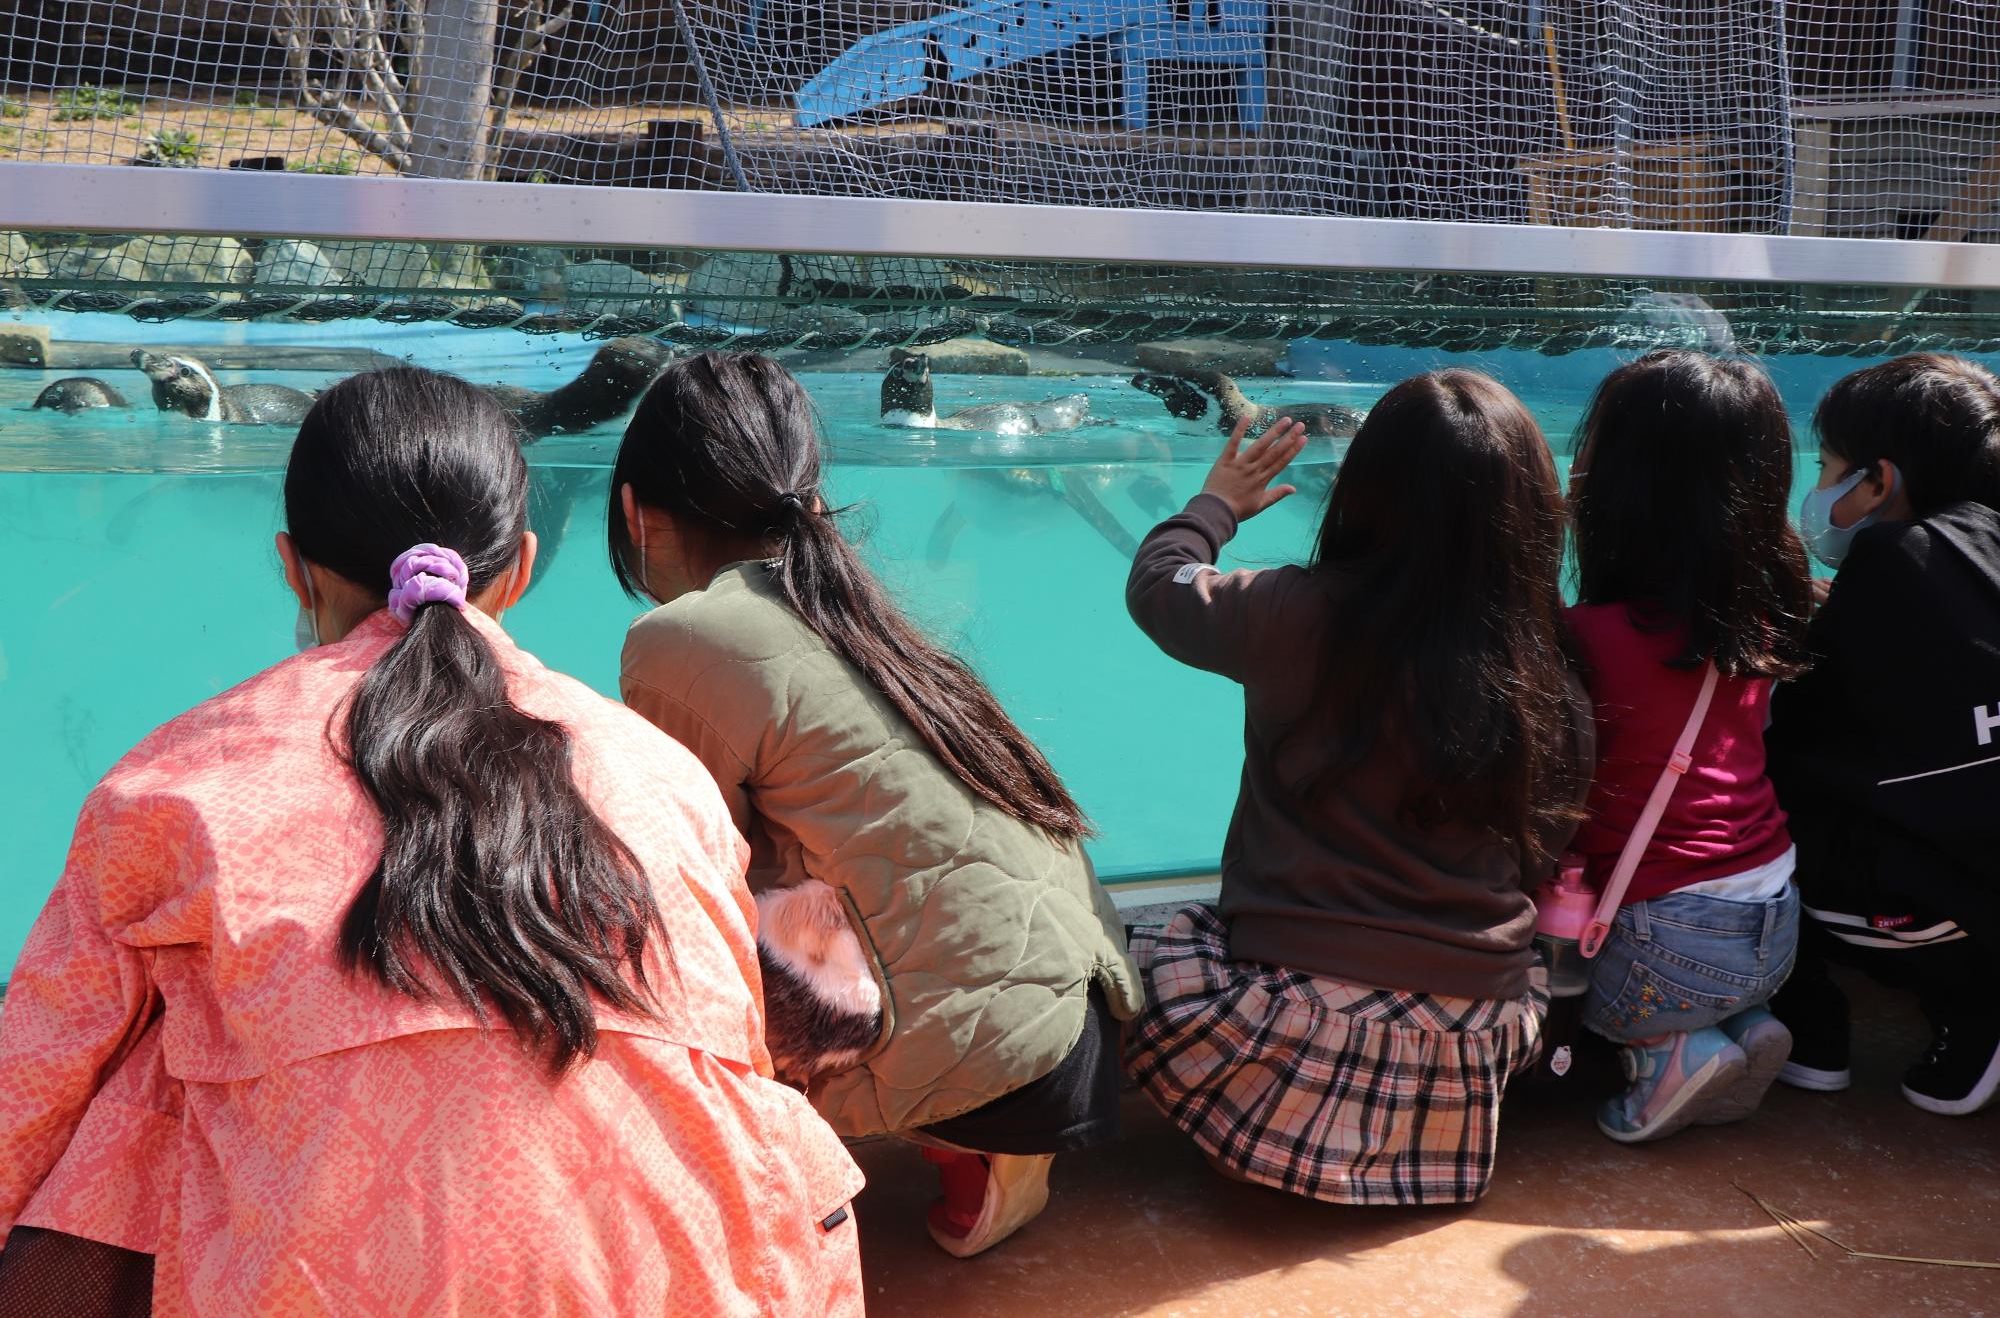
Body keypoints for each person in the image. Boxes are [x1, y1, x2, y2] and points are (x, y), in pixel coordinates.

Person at [0, 368, 864, 1316]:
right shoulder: (663, 773)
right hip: (706, 1284)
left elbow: (30, 1076)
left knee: (152, 1048)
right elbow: (734, 1054)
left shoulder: (171, 783)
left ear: (293, 566)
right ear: (522, 567)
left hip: (317, 1288)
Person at [609, 352, 1143, 1258]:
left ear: (634, 513)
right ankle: (982, 1141)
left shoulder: (680, 638)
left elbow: (681, 889)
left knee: (652, 904)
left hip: (990, 1071)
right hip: (1084, 1031)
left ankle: (945, 1128)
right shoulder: (865, 610)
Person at [1122, 371, 1593, 1205]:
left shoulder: (1293, 611)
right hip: (1465, 1049)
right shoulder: (1549, 677)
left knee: (1155, 939)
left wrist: (1213, 506)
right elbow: (1542, 851)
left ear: (1362, 490)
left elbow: (1160, 587)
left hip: (1284, 1037)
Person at [1564, 351, 1812, 1142]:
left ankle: (1668, 1049)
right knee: (1704, 966)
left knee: (1575, 975)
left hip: (1664, 947)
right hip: (1777, 917)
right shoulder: (1764, 627)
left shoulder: (1586, 638)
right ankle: (1747, 1022)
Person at [1767, 353, 2000, 1117]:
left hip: (1948, 914)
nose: (1822, 485)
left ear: (1879, 481)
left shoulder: (1892, 557)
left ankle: (1812, 1030)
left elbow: (1795, 733)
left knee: (1746, 824)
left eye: (1830, 465)